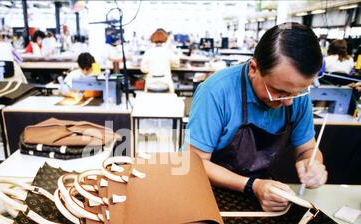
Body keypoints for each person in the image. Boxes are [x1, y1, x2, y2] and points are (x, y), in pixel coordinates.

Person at [184, 22, 328, 212]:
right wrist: (253, 186)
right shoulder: (216, 91)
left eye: (298, 93)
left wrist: (313, 163)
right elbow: (196, 162)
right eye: (278, 91)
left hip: (261, 192)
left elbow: (307, 149)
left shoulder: (294, 93)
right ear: (253, 69)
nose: (288, 102)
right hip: (208, 190)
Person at [140, 28, 180, 93]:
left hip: (151, 83)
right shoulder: (168, 51)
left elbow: (143, 69)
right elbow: (177, 64)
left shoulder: (148, 52)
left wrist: (151, 69)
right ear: (165, 39)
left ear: (152, 39)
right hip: (165, 83)